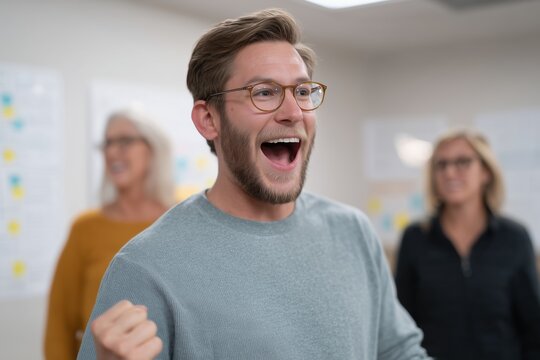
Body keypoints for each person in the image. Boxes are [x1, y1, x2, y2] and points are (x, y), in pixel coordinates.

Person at [77, 8, 430, 360]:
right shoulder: (144, 268)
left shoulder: (353, 233)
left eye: (303, 91)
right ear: (209, 119)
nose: (293, 111)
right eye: (264, 93)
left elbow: (400, 352)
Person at [395, 129, 540, 359]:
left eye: (463, 162)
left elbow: (534, 329)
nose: (450, 172)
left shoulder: (515, 238)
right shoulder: (415, 239)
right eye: (441, 165)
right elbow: (400, 328)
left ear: (486, 172)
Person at [44, 109, 176, 360]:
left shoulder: (181, 220)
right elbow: (59, 327)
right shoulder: (85, 229)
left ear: (153, 149)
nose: (112, 151)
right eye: (107, 143)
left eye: (125, 141)